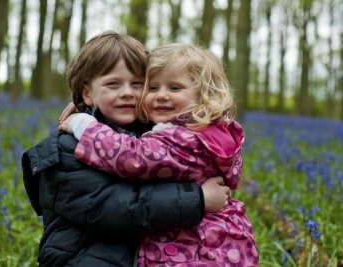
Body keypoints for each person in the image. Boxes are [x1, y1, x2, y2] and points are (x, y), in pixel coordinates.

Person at [22, 32, 230, 267]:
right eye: (113, 84)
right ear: (87, 93)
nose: (127, 93)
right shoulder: (66, 149)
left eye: (138, 84)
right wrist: (198, 199)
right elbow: (116, 208)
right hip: (82, 257)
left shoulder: (157, 140)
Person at [59, 43, 259, 266]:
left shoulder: (184, 140)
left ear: (204, 96)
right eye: (152, 88)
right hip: (216, 245)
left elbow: (133, 158)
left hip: (194, 250)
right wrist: (86, 104)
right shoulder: (209, 131)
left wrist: (86, 126)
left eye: (174, 88)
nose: (161, 96)